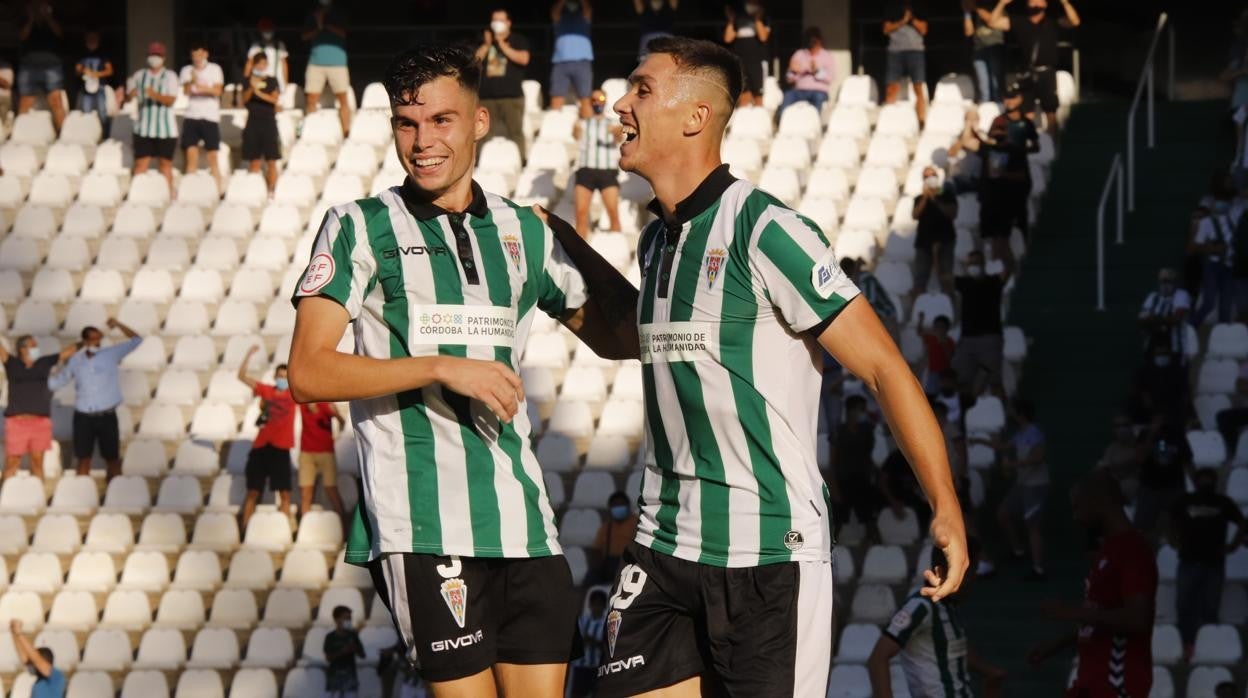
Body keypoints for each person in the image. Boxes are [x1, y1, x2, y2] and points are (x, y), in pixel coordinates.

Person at [598, 36, 967, 697]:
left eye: (641, 90)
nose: (619, 103)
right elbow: (623, 335)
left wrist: (944, 504)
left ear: (694, 117)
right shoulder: (657, 240)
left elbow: (883, 367)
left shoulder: (765, 230)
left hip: (767, 555)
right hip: (663, 546)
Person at [286, 42, 638, 696]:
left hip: (525, 526)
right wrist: (441, 367)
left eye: (440, 120)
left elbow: (623, 340)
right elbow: (308, 371)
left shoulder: (523, 231)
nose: (421, 141)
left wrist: (566, 234)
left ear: (479, 122)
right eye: (406, 122)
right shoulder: (358, 226)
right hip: (423, 526)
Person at [1029, 471, 1156, 698]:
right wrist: (1058, 644)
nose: (1076, 517)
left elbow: (1137, 619)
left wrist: (1069, 612)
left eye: (1078, 507)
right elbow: (1100, 615)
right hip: (1091, 682)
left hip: (1117, 683)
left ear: (1099, 502)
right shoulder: (1107, 550)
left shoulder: (1133, 551)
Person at [868, 540, 1005, 698]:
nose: (973, 579)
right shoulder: (921, 606)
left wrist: (990, 671)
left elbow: (956, 648)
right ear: (944, 571)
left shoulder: (950, 607)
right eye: (969, 572)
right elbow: (877, 658)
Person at [47, 321, 142, 480]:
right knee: (83, 460)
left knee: (112, 460)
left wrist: (118, 325)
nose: (96, 342)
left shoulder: (111, 353)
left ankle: (115, 494)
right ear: (85, 341)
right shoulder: (75, 361)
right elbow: (57, 382)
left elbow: (137, 340)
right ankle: (82, 493)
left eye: (98, 339)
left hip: (107, 415)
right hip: (84, 417)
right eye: (92, 339)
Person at [1169, 467, 1246, 660]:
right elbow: (1168, 521)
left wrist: (1234, 545)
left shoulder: (1223, 502)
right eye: (1201, 479)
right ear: (1196, 481)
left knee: (1210, 609)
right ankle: (1186, 646)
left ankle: (1207, 647)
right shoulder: (1185, 501)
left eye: (1208, 479)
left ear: (1214, 481)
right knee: (1184, 605)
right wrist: (1174, 541)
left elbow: (1243, 523)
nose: (1205, 483)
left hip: (1214, 564)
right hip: (1188, 561)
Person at [975, 398, 1048, 579]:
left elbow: (1038, 458)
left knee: (1032, 526)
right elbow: (1003, 446)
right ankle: (1018, 550)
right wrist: (978, 440)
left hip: (1036, 485)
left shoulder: (1035, 433)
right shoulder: (1020, 433)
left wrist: (1012, 465)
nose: (1012, 415)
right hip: (1022, 484)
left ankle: (1038, 569)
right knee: (1003, 514)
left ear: (1021, 415)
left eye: (1014, 412)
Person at [989, 0, 1081, 134]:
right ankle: (1029, 146)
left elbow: (1074, 21)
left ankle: (1052, 148)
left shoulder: (1052, 22)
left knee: (1051, 113)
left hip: (1047, 73)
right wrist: (1002, 3)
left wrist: (1065, 3)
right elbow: (993, 22)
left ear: (1045, 4)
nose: (1036, 3)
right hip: (1027, 73)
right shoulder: (1019, 22)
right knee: (1027, 114)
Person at [978, 85, 1038, 266]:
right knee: (1000, 231)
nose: (1009, 101)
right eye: (1006, 98)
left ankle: (1025, 251)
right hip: (1000, 184)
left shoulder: (1026, 123)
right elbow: (991, 146)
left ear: (1019, 100)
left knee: (1021, 216)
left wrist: (1018, 151)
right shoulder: (998, 121)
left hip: (1019, 178)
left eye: (1012, 98)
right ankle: (1002, 265)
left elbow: (1036, 146)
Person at [236, 347, 296, 530]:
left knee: (284, 494)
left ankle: (286, 530)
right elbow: (241, 376)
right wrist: (248, 355)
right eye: (280, 376)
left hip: (281, 447)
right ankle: (245, 531)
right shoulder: (267, 391)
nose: (282, 380)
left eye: (286, 377)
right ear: (275, 377)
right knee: (252, 492)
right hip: (261, 447)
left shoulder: (293, 394)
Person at [2, 336, 75, 479]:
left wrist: (85, 341)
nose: (36, 348)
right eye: (32, 345)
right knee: (12, 461)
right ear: (22, 349)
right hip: (17, 422)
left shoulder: (44, 363)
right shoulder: (12, 363)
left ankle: (37, 495)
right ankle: (4, 496)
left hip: (40, 422)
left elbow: (67, 352)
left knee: (37, 461)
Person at [952, 249, 1009, 397]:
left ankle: (1004, 415)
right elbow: (944, 277)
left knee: (994, 381)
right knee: (963, 381)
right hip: (967, 339)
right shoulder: (964, 283)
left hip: (990, 338)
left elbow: (1007, 271)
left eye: (976, 263)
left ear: (984, 264)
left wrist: (1001, 256)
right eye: (971, 263)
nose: (973, 266)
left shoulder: (993, 281)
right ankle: (966, 415)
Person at [476, 8, 531, 159]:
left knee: (515, 132)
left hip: (511, 97)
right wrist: (487, 45)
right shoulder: (485, 41)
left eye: (500, 21)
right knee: (482, 133)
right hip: (486, 97)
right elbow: (473, 62)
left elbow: (524, 59)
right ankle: (479, 162)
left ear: (508, 23)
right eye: (494, 20)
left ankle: (521, 161)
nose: (496, 24)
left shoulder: (518, 40)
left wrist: (501, 43)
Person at [126, 41, 179, 191]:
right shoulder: (139, 75)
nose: (154, 58)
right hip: (143, 128)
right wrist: (130, 94)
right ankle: (136, 194)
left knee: (165, 165)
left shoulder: (170, 76)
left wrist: (154, 95)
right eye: (152, 55)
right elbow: (129, 96)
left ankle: (167, 196)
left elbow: (171, 100)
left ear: (163, 57)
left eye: (158, 55)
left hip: (165, 130)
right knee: (141, 164)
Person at [573, 88, 623, 236]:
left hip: (606, 171)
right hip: (586, 170)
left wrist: (615, 132)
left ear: (605, 101)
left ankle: (616, 247)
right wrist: (581, 111)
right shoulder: (583, 123)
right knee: (581, 213)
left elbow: (619, 137)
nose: (596, 103)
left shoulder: (613, 123)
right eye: (593, 100)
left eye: (600, 100)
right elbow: (576, 134)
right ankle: (579, 251)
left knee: (613, 212)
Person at [830, 395, 880, 541]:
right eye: (861, 409)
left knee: (868, 518)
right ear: (850, 411)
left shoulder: (867, 430)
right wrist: (834, 487)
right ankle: (832, 550)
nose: (863, 412)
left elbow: (868, 454)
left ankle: (870, 551)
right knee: (838, 519)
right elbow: (832, 462)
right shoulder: (838, 431)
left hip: (862, 479)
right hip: (843, 479)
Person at [302, 0, 351, 136]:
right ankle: (311, 132)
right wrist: (319, 24)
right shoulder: (313, 16)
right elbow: (304, 36)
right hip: (316, 63)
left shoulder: (339, 14)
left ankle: (346, 133)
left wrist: (327, 25)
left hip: (337, 63)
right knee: (311, 99)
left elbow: (344, 33)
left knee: (343, 99)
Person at [179, 42, 224, 184]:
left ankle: (217, 187)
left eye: (199, 55)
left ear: (205, 54)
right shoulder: (187, 70)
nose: (197, 58)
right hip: (192, 115)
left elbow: (217, 91)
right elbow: (186, 91)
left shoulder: (215, 69)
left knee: (213, 155)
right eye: (194, 56)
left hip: (210, 116)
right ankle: (190, 185)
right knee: (191, 154)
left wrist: (199, 86)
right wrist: (192, 80)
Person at [17, 0, 66, 132]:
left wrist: (48, 18)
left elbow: (60, 33)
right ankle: (21, 134)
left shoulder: (55, 14)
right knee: (25, 101)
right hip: (29, 65)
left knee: (56, 101)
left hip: (52, 65)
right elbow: (21, 36)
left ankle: (62, 135)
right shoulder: (25, 16)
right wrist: (31, 19)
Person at [1189, 196, 1236, 326]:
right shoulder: (1206, 222)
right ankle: (1191, 326)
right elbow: (1197, 245)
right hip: (1213, 265)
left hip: (1230, 265)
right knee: (1209, 302)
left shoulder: (1233, 220)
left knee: (1226, 306)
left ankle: (1223, 335)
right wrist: (1212, 248)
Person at [912, 165, 957, 296]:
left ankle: (950, 310)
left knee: (946, 277)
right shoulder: (920, 198)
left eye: (933, 175)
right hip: (924, 243)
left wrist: (935, 198)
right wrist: (926, 197)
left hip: (945, 241)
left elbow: (952, 214)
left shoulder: (947, 194)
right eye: (926, 176)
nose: (930, 178)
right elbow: (915, 215)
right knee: (920, 280)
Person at [298, 401, 346, 522]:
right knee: (305, 494)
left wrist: (336, 413)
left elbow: (342, 422)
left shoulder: (324, 404)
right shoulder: (302, 401)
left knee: (331, 490)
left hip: (326, 452)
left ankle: (343, 528)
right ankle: (306, 528)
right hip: (306, 453)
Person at [882, 0, 929, 124]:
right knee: (892, 87)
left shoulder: (919, 8)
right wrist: (903, 21)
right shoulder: (891, 8)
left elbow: (924, 30)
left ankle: (921, 121)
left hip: (916, 52)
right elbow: (886, 29)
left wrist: (911, 19)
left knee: (918, 86)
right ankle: (889, 120)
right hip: (895, 52)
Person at [241, 52, 282, 193]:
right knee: (254, 160)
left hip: (269, 122)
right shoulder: (247, 81)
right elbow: (244, 100)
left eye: (263, 64)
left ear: (267, 65)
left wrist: (258, 92)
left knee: (271, 160)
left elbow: (274, 99)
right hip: (253, 122)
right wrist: (252, 87)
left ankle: (271, 190)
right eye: (258, 64)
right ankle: (254, 191)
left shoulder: (272, 80)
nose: (260, 66)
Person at [549, 0, 594, 115]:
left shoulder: (584, 17)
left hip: (582, 62)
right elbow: (554, 12)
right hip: (560, 62)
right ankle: (555, 129)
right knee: (556, 98)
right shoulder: (560, 18)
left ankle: (588, 131)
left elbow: (588, 10)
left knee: (585, 98)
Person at [723, 1, 770, 107]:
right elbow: (727, 38)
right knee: (744, 94)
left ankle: (760, 118)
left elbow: (763, 37)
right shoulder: (738, 18)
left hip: (758, 62)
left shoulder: (764, 19)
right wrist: (731, 20)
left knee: (758, 94)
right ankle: (745, 120)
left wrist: (757, 19)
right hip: (741, 60)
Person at [780, 26, 835, 117]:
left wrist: (816, 71)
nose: (812, 46)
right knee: (788, 95)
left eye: (814, 43)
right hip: (799, 91)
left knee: (818, 98)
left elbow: (830, 78)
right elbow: (788, 79)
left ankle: (814, 125)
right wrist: (793, 71)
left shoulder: (827, 56)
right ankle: (782, 123)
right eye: (810, 43)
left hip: (818, 91)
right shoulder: (799, 54)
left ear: (820, 41)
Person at [840, 257, 899, 336]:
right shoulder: (855, 282)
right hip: (877, 320)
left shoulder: (867, 279)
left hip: (886, 317)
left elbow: (869, 303)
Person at [1138, 268, 1190, 356]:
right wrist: (1161, 321)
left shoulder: (1181, 295)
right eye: (1162, 281)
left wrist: (1154, 318)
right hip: (1152, 346)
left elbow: (1176, 319)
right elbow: (1141, 320)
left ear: (1175, 283)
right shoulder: (1152, 297)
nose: (1165, 285)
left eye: (1168, 281)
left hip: (1176, 348)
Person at [590, 492, 639, 584]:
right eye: (615, 505)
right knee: (591, 577)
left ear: (628, 506)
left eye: (621, 504)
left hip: (630, 561)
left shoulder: (637, 523)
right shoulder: (606, 527)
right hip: (610, 562)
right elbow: (596, 550)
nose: (618, 508)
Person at [964, 0, 1007, 103]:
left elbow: (990, 21)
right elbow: (968, 32)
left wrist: (975, 7)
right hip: (979, 50)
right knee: (983, 87)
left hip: (994, 48)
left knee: (996, 83)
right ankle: (985, 112)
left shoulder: (998, 8)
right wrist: (967, 13)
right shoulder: (976, 11)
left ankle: (998, 112)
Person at [9, 620, 65, 698]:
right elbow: (25, 660)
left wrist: (19, 633)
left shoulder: (56, 676)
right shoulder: (39, 680)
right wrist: (14, 633)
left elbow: (36, 660)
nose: (32, 665)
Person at [569, 590, 608, 697]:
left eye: (600, 604)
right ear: (590, 605)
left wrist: (591, 640)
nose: (597, 607)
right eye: (594, 604)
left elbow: (607, 647)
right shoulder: (582, 621)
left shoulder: (606, 623)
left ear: (604, 606)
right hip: (580, 668)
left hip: (597, 669)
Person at [75, 30, 113, 137]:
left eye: (94, 38)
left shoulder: (103, 54)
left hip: (100, 86)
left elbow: (110, 70)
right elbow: (76, 70)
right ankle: (88, 135)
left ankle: (106, 136)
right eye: (89, 38)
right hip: (86, 89)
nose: (91, 40)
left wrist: (96, 74)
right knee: (86, 113)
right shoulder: (82, 54)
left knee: (102, 112)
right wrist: (83, 70)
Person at [1096, 414, 1142, 503]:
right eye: (1118, 426)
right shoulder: (1112, 448)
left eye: (1125, 425)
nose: (1121, 429)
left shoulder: (1140, 447)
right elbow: (1103, 470)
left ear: (1131, 426)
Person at [323, 605, 365, 697]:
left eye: (349, 618)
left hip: (350, 678)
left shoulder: (353, 635)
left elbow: (362, 655)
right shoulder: (330, 637)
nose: (348, 621)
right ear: (336, 619)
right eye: (345, 618)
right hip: (334, 678)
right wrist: (343, 652)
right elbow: (328, 658)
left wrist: (355, 648)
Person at [246, 18, 290, 94]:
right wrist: (246, 81)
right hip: (260, 81)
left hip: (277, 81)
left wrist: (285, 83)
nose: (267, 32)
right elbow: (249, 63)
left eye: (269, 29)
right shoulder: (255, 46)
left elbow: (284, 65)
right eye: (265, 30)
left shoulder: (279, 45)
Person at [916, 312, 955, 395]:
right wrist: (921, 320)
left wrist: (943, 344)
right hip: (932, 372)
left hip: (945, 373)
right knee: (930, 393)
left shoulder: (949, 341)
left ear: (947, 329)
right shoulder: (931, 338)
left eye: (942, 327)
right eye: (937, 327)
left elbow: (951, 358)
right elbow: (919, 332)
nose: (939, 329)